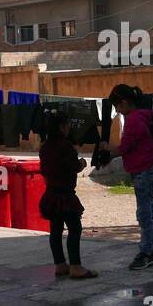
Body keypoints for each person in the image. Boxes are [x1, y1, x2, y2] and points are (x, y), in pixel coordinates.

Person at [99, 84, 153, 270]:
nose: (117, 112)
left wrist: (107, 149)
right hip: (146, 169)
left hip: (142, 171)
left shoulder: (133, 121)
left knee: (144, 214)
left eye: (117, 108)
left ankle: (146, 252)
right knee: (150, 211)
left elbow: (124, 148)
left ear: (124, 103)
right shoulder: (142, 117)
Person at [38, 113, 97, 279]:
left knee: (55, 231)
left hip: (51, 193)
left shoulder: (45, 147)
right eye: (66, 126)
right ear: (61, 128)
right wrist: (82, 163)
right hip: (65, 194)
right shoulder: (65, 146)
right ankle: (76, 266)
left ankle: (60, 264)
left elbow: (44, 169)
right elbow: (73, 166)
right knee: (74, 229)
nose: (68, 129)